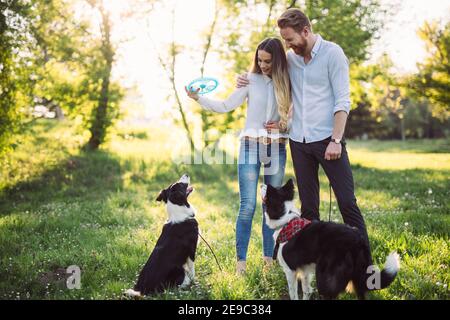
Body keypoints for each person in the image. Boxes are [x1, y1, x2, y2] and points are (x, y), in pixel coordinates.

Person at [237, 8, 371, 251]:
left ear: (306, 31)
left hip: (328, 140)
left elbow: (342, 101)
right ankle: (315, 265)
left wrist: (336, 140)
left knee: (346, 202)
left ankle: (364, 263)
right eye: (285, 40)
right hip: (298, 142)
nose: (287, 45)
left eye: (289, 39)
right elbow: (267, 76)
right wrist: (244, 78)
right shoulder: (290, 59)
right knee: (309, 208)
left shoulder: (333, 54)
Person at [186, 38, 291, 274]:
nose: (263, 65)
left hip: (276, 148)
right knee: (247, 206)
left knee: (272, 206)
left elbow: (295, 118)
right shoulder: (249, 80)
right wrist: (197, 98)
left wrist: (283, 126)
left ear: (279, 60)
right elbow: (225, 105)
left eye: (268, 61)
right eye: (259, 60)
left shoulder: (289, 81)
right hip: (250, 147)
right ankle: (240, 265)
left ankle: (268, 263)